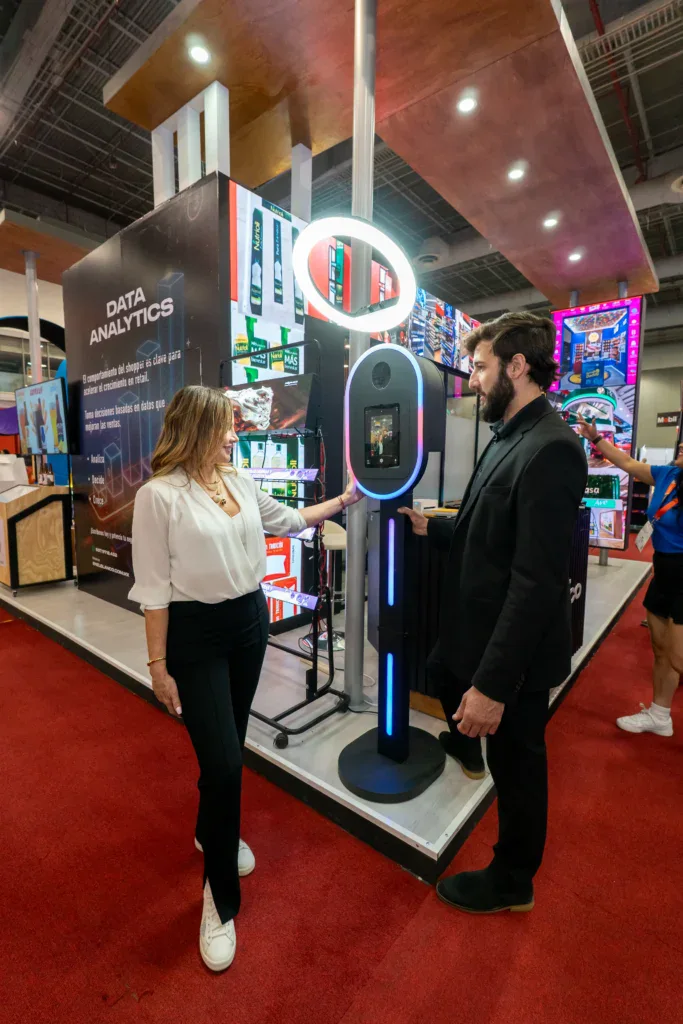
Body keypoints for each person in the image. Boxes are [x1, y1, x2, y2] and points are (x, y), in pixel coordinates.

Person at [129, 385, 360, 972]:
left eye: (234, 425)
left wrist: (342, 500)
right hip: (194, 636)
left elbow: (289, 520)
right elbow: (154, 593)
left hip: (249, 624)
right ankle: (219, 900)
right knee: (227, 761)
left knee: (226, 746)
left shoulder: (237, 482)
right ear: (195, 429)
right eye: (225, 426)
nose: (235, 434)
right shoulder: (159, 498)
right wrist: (158, 667)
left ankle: (214, 833)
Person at [401, 311, 587, 915]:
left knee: (518, 764)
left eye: (481, 367)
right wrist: (439, 526)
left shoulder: (553, 447)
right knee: (491, 743)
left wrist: (492, 686)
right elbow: (492, 530)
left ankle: (514, 880)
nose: (473, 379)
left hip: (514, 660)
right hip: (475, 634)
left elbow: (535, 583)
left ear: (517, 366)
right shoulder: (510, 434)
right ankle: (467, 749)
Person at [575, 418, 683, 736]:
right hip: (662, 569)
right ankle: (660, 715)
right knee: (662, 649)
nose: (681, 447)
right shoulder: (667, 474)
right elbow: (625, 462)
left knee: (678, 656)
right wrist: (596, 438)